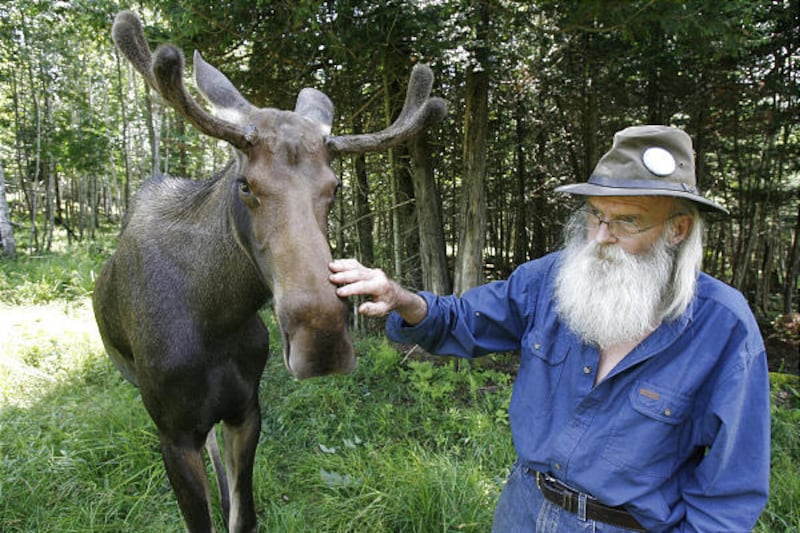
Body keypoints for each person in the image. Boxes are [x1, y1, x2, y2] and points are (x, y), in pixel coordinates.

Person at [329, 125, 770, 532]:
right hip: (523, 508)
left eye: (627, 221)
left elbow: (730, 493)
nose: (600, 236)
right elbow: (463, 321)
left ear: (678, 229)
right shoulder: (551, 280)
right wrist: (404, 300)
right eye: (595, 214)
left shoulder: (723, 327)